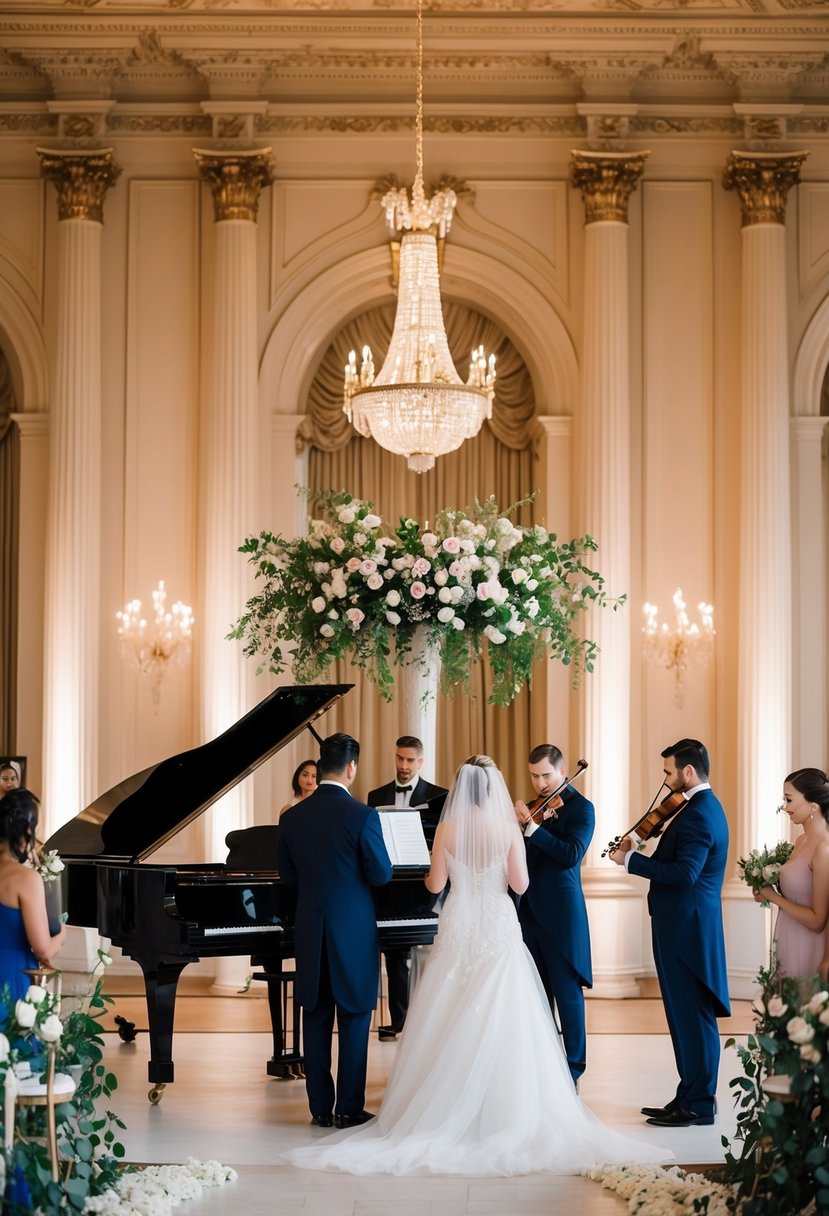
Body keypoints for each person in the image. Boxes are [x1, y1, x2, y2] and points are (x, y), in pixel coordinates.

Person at [282, 755, 670, 1176]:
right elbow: (520, 884)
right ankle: (503, 1106)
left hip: (460, 919)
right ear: (496, 790)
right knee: (507, 1013)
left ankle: (437, 1105)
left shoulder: (447, 829)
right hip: (497, 922)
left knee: (448, 1007)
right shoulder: (508, 829)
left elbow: (434, 884)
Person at [610, 738, 730, 1128]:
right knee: (683, 1017)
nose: (664, 780)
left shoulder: (698, 814)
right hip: (682, 925)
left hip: (687, 929)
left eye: (668, 772)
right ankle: (689, 1095)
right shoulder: (697, 808)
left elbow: (685, 875)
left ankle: (698, 1104)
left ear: (688, 772)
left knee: (692, 1017)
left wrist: (631, 860)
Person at [277, 733, 393, 1129]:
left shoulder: (291, 818)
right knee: (356, 1017)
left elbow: (288, 878)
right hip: (353, 933)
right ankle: (349, 1108)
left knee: (315, 1014)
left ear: (320, 766)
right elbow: (381, 874)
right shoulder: (362, 816)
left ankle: (320, 1110)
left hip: (310, 929)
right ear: (351, 768)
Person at [513, 744, 594, 1084]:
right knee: (537, 992)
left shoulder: (582, 809)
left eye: (546, 775)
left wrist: (533, 830)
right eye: (534, 776)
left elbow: (571, 854)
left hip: (562, 916)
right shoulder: (534, 808)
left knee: (567, 992)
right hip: (529, 912)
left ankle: (573, 1068)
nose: (541, 783)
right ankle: (543, 1063)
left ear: (561, 771)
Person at [367, 735, 447, 1040]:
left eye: (410, 760)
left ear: (421, 762)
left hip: (428, 881)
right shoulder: (376, 795)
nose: (403, 765)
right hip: (391, 883)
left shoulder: (440, 796)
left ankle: (431, 1021)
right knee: (395, 953)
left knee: (434, 953)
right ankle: (400, 1021)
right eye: (399, 758)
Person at [753, 768, 829, 980]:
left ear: (813, 805)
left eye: (789, 800)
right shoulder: (801, 841)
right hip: (787, 936)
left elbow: (818, 920)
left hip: (809, 947)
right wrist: (765, 889)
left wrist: (774, 897)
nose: (784, 807)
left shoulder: (824, 849)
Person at [0, 788, 66, 1008]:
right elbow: (43, 950)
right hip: (11, 977)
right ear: (28, 829)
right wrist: (62, 933)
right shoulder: (25, 879)